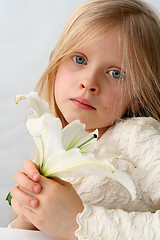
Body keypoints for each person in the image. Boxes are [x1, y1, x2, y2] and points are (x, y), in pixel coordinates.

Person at [9, 0, 160, 239]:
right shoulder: (52, 145)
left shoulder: (136, 139)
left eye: (116, 73)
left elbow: (72, 226)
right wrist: (27, 219)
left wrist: (79, 222)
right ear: (55, 63)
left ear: (137, 98)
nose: (89, 82)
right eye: (79, 59)